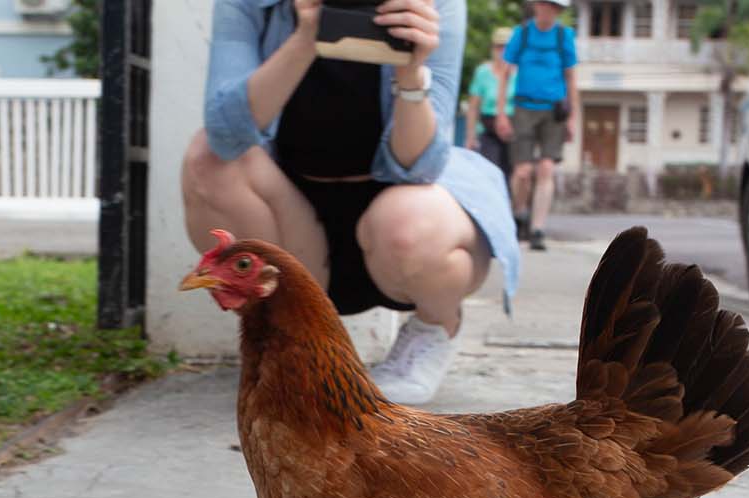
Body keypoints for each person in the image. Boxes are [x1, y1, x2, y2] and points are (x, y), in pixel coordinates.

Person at [182, 0, 520, 406]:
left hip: (391, 211)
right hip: (290, 215)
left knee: (412, 225)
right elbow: (225, 135)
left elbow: (420, 167)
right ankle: (293, 340)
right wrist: (308, 34)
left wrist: (411, 71)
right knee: (209, 162)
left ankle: (434, 327)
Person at [497, 0, 579, 252]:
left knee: (546, 169)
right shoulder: (521, 34)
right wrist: (501, 113)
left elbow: (571, 77)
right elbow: (505, 74)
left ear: (559, 11)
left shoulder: (563, 36)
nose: (548, 10)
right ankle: (517, 212)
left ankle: (537, 229)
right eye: (545, 4)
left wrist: (573, 117)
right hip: (523, 107)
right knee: (522, 172)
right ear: (536, 5)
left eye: (554, 6)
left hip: (553, 109)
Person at [463, 26, 515, 179]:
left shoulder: (520, 73)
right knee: (489, 170)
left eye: (506, 47)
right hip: (488, 128)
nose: (502, 51)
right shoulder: (483, 72)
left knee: (513, 174)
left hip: (513, 129)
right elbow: (473, 107)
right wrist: (470, 136)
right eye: (499, 47)